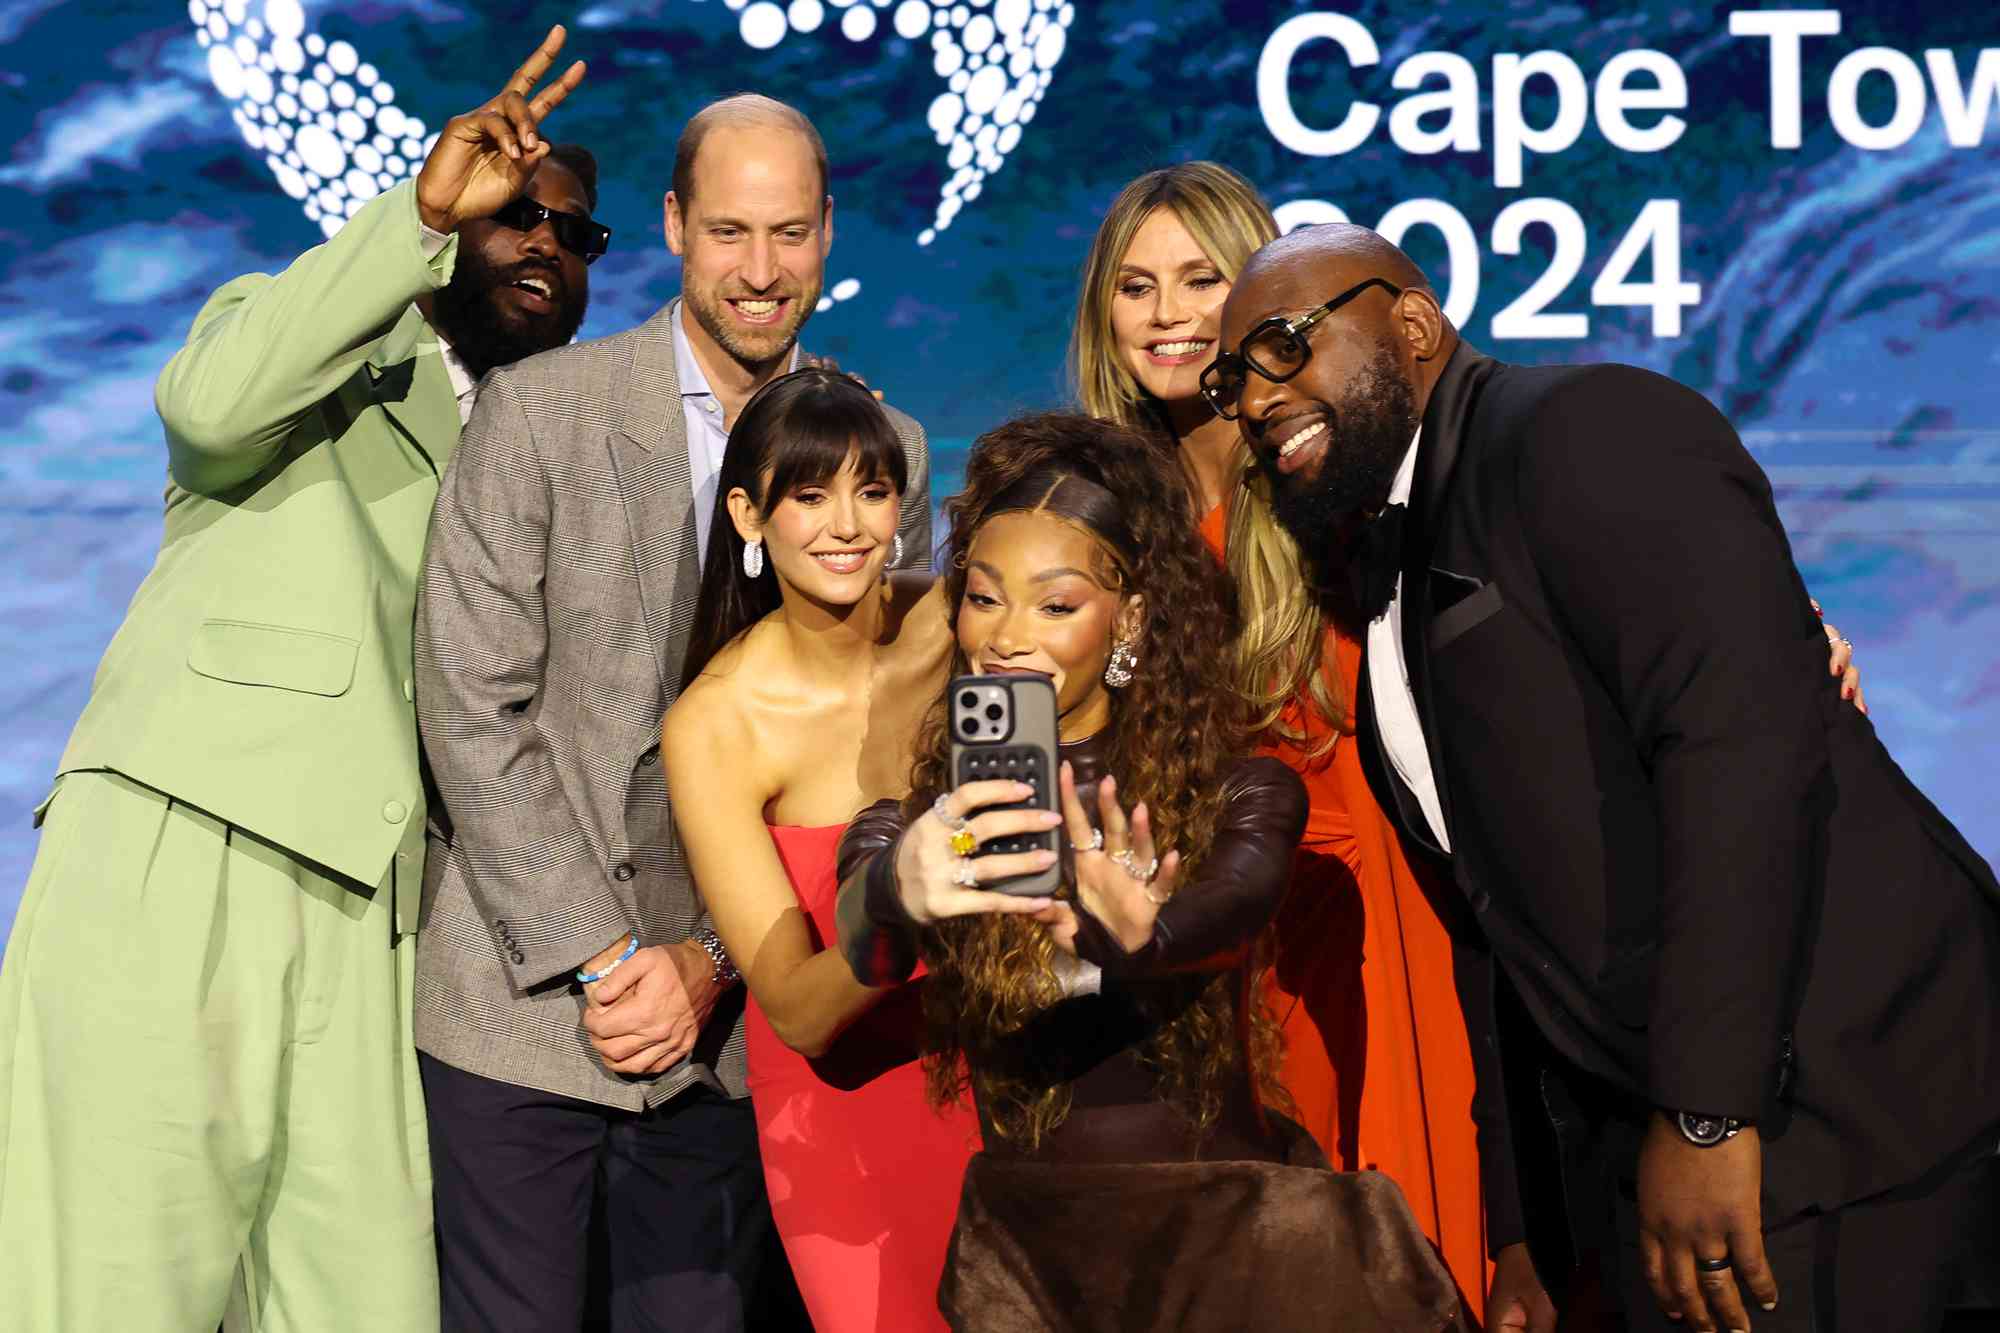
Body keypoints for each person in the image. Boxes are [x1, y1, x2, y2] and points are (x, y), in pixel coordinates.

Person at [1069, 162, 1874, 1330]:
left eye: (1202, 279)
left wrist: (1778, 637)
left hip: (1429, 916)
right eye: (1134, 286)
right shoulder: (1096, 507)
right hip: (1238, 946)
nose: (1169, 314)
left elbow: (1584, 603)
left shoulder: (1335, 468)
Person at [1210, 223, 2000, 1333]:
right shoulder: (1383, 555)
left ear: (1415, 321)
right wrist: (1526, 1227)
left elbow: (1738, 757)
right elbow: (1496, 923)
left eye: (1283, 347)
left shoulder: (1581, 430)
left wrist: (1708, 1116)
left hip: (1846, 1129)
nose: (1251, 397)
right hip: (1656, 1170)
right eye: (1229, 375)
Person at [0, 28, 592, 1331]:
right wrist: (419, 218)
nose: (547, 243)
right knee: (107, 1293)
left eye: (577, 235)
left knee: (367, 1302)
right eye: (514, 214)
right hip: (186, 850)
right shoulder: (306, 342)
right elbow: (209, 409)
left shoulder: (556, 467)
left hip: (385, 932)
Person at [413, 95, 932, 1330]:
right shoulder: (540, 410)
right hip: (521, 1005)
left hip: (737, 1035)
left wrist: (707, 961)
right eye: (729, 233)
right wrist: (604, 954)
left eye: (789, 234)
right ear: (673, 227)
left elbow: (870, 752)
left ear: (828, 235)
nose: (760, 272)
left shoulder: (887, 453)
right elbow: (470, 701)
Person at [833, 413, 1470, 1333]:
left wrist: (1144, 933)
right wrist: (894, 884)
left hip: (1235, 1256)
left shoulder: (1242, 794)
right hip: (1030, 1269)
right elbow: (864, 948)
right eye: (983, 597)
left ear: (1129, 618)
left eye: (1055, 605)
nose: (1007, 636)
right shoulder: (920, 828)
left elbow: (1233, 902)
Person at [662, 367, 983, 1332]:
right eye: (810, 494)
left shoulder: (958, 628)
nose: (847, 523)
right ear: (749, 515)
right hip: (838, 1122)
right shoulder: (718, 721)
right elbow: (797, 1010)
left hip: (995, 1075)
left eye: (872, 490)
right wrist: (903, 909)